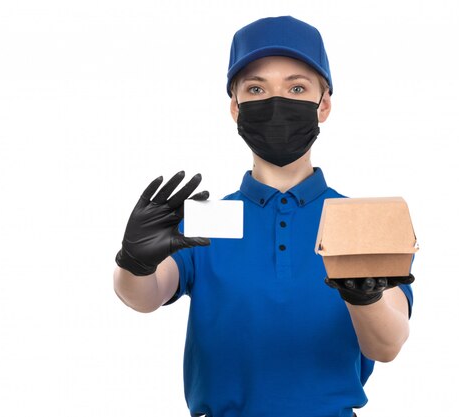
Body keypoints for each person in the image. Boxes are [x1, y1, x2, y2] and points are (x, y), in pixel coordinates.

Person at [113, 15, 415, 417]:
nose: (277, 102)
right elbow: (145, 297)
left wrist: (366, 297)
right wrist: (133, 263)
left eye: (296, 87)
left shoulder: (362, 220)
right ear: (235, 108)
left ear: (323, 105)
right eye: (256, 88)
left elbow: (387, 346)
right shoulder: (208, 217)